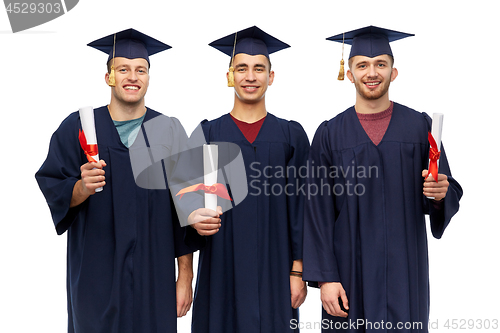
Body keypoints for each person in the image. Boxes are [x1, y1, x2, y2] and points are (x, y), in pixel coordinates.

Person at [303, 26, 463, 332]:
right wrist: (326, 278)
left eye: (380, 64)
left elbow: (445, 186)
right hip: (348, 274)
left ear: (394, 72)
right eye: (362, 65)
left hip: (404, 272)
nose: (371, 72)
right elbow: (316, 213)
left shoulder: (420, 128)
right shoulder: (329, 134)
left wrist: (441, 193)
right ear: (349, 74)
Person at [35, 28, 196, 333]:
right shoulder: (79, 128)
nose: (132, 76)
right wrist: (81, 187)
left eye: (141, 70)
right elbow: (54, 187)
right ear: (108, 76)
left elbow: (186, 213)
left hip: (154, 276)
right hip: (96, 279)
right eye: (123, 69)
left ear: (148, 77)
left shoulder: (170, 130)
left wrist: (184, 277)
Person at [189, 26, 310, 333]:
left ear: (271, 76)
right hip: (222, 268)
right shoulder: (206, 134)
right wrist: (193, 218)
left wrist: (297, 272)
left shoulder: (291, 136)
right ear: (230, 76)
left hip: (277, 269)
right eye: (241, 68)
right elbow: (183, 204)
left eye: (259, 69)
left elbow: (303, 210)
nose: (250, 77)